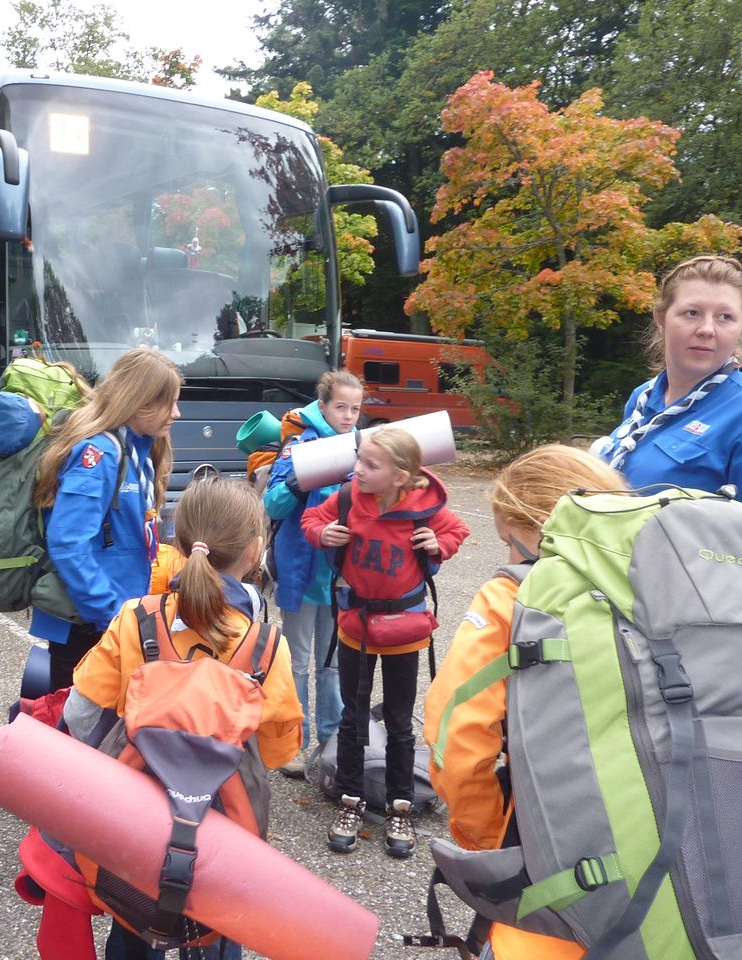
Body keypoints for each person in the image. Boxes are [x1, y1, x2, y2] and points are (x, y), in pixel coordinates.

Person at [63, 477, 303, 960]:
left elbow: (80, 714)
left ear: (178, 544)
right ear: (254, 551)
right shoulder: (265, 646)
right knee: (217, 929)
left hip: (135, 813)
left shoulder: (136, 618)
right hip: (220, 825)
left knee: (133, 922)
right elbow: (278, 751)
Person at [423, 444, 626, 960]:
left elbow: (457, 742)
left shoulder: (513, 597)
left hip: (558, 868)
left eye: (507, 542)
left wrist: (489, 840)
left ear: (537, 527)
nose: (510, 558)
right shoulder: (670, 583)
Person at [301, 428, 470, 858]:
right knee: (353, 718)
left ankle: (400, 806)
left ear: (401, 476)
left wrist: (439, 543)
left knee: (398, 722)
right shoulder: (346, 498)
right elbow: (311, 520)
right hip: (355, 627)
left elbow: (457, 530)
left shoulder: (423, 507)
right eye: (359, 459)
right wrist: (323, 534)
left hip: (402, 632)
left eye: (370, 465)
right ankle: (350, 801)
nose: (358, 469)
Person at [594, 255, 742, 546]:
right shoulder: (643, 398)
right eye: (692, 313)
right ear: (660, 319)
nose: (707, 329)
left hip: (683, 575)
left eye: (725, 317)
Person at [31, 348, 182, 690]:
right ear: (139, 402)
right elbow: (68, 543)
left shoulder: (138, 450)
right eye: (169, 403)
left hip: (113, 616)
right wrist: (111, 614)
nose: (177, 413)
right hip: (88, 623)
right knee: (75, 720)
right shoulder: (98, 455)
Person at [263, 370, 363, 776]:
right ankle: (293, 741)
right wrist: (297, 482)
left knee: (333, 662)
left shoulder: (362, 448)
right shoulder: (299, 447)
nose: (348, 416)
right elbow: (273, 505)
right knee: (297, 661)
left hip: (341, 576)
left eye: (355, 409)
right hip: (302, 572)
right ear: (322, 406)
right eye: (340, 407)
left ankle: (331, 740)